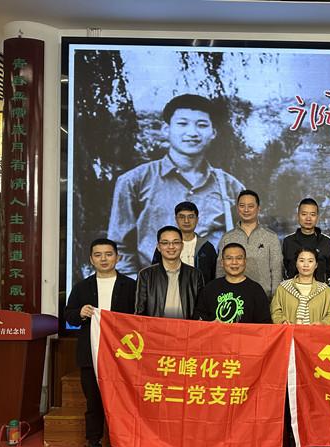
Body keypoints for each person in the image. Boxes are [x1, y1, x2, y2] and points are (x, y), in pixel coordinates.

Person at [108, 94, 244, 276]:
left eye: (202, 125)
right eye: (182, 124)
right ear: (166, 130)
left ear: (213, 132)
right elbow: (120, 248)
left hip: (211, 287)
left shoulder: (231, 187)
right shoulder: (134, 181)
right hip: (155, 286)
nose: (192, 132)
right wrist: (139, 286)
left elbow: (243, 244)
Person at [193, 243, 272, 447]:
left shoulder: (255, 290)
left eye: (238, 258)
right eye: (229, 258)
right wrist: (210, 325)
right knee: (214, 404)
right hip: (215, 360)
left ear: (245, 261)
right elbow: (197, 320)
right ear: (222, 262)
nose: (234, 262)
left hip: (246, 360)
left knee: (244, 404)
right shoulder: (210, 288)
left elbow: (265, 326)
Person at [134, 225, 204, 447]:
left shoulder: (195, 275)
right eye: (165, 243)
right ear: (158, 246)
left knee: (183, 398)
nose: (171, 247)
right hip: (157, 346)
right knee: (156, 399)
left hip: (186, 345)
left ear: (182, 245)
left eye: (175, 242)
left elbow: (199, 312)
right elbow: (139, 313)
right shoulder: (146, 275)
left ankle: (182, 444)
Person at [64, 239, 137, 447]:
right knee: (93, 403)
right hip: (91, 355)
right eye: (98, 255)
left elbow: (139, 318)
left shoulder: (130, 286)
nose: (103, 259)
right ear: (91, 259)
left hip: (122, 358)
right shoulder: (82, 287)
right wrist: (80, 312)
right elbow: (69, 315)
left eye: (108, 254)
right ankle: (93, 445)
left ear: (118, 257)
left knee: (122, 403)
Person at [271, 247, 330, 447]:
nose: (305, 264)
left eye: (310, 260)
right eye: (301, 260)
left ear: (316, 265)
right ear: (295, 264)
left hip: (315, 353)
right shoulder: (284, 288)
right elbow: (276, 311)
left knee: (314, 398)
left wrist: (322, 324)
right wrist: (282, 322)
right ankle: (292, 446)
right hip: (289, 350)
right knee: (290, 397)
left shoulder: (324, 291)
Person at [216, 189, 283, 299]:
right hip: (232, 299)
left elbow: (277, 272)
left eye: (251, 206)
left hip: (263, 299)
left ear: (258, 208)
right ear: (237, 208)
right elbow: (220, 270)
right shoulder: (227, 238)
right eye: (242, 206)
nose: (246, 210)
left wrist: (275, 300)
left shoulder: (271, 237)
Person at [151, 201, 217, 283]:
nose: (186, 221)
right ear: (176, 219)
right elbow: (154, 273)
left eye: (191, 217)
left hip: (200, 290)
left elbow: (214, 276)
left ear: (197, 219)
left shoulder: (206, 247)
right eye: (182, 217)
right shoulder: (165, 246)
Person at [281, 198, 330, 284]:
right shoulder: (287, 242)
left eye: (312, 214)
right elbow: (281, 270)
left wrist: (323, 287)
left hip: (320, 291)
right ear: (298, 216)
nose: (308, 218)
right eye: (304, 214)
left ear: (317, 217)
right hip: (292, 291)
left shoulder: (327, 242)